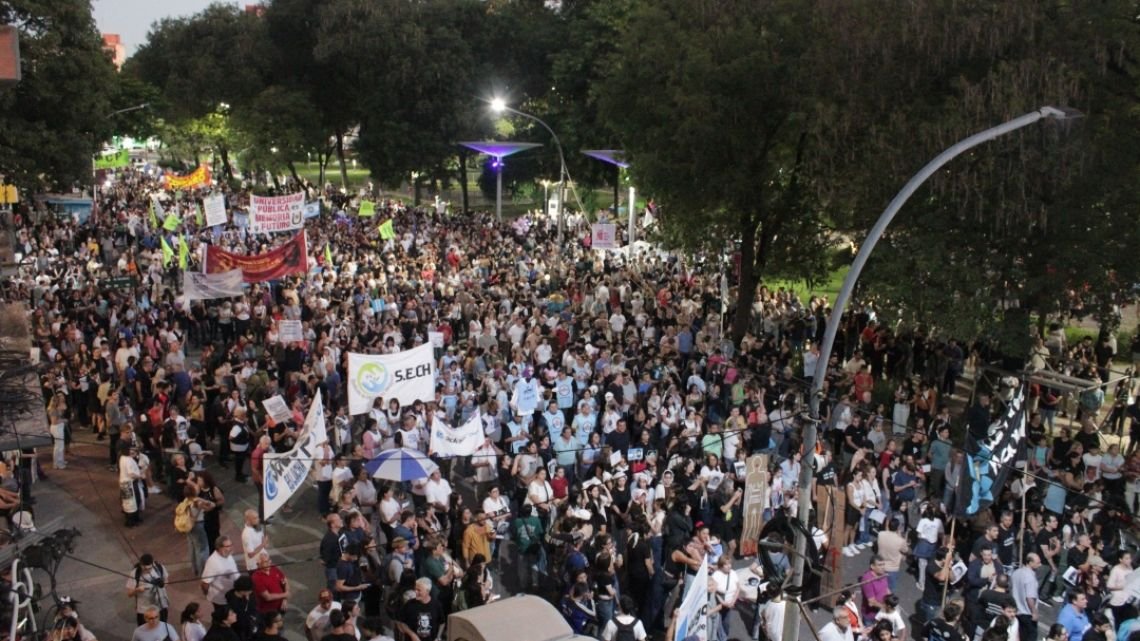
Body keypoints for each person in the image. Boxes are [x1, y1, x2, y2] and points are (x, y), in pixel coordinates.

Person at [126, 553, 170, 625]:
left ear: (153, 563)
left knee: (162, 628)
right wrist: (137, 590)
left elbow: (166, 581)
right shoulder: (135, 573)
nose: (148, 571)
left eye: (150, 568)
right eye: (145, 569)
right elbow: (129, 594)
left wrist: (162, 584)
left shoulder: (159, 568)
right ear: (141, 565)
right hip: (144, 610)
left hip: (160, 606)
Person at [201, 536, 240, 611]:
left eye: (231, 545)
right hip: (221, 599)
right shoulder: (213, 562)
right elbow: (205, 583)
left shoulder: (228, 555)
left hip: (231, 594)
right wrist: (207, 594)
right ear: (219, 548)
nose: (231, 547)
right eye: (228, 546)